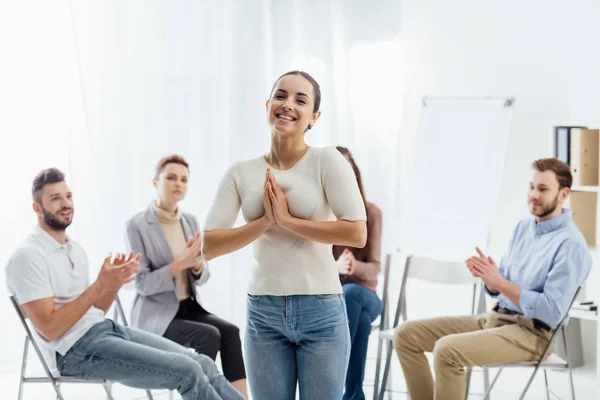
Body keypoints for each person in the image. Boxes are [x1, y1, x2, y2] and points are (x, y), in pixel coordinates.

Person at [5, 168, 244, 400]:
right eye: (55, 198)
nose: (66, 204)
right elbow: (50, 328)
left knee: (201, 363)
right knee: (188, 371)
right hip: (73, 351)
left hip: (106, 330)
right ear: (37, 208)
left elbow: (95, 311)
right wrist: (99, 284)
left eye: (68, 196)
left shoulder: (74, 249)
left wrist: (113, 283)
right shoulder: (28, 256)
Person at [202, 71, 367, 400]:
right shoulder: (241, 172)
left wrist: (288, 221)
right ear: (268, 104)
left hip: (321, 310)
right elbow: (209, 245)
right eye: (280, 95)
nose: (287, 104)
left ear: (314, 117)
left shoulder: (326, 160)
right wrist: (265, 222)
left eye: (300, 100)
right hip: (263, 313)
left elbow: (356, 232)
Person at [393, 158, 592, 400]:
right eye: (531, 187)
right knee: (405, 335)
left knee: (447, 351)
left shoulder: (571, 245)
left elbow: (552, 312)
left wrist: (501, 284)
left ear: (563, 194)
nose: (533, 195)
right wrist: (490, 279)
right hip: (497, 319)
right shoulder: (524, 227)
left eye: (542, 189)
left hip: (533, 334)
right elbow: (502, 285)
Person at [126, 155, 247, 398]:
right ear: (155, 182)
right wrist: (178, 264)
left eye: (183, 179)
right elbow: (142, 284)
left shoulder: (189, 221)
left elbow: (202, 276)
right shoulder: (137, 225)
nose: (178, 183)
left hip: (189, 308)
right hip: (157, 315)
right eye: (171, 178)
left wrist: (197, 266)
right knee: (209, 336)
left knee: (231, 332)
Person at [333, 146, 383, 400]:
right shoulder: (323, 216)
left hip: (367, 297)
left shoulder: (371, 213)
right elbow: (312, 267)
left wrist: (354, 267)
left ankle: (332, 377)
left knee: (351, 293)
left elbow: (375, 268)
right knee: (361, 323)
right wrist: (337, 268)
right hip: (337, 302)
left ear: (355, 174)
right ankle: (354, 396)